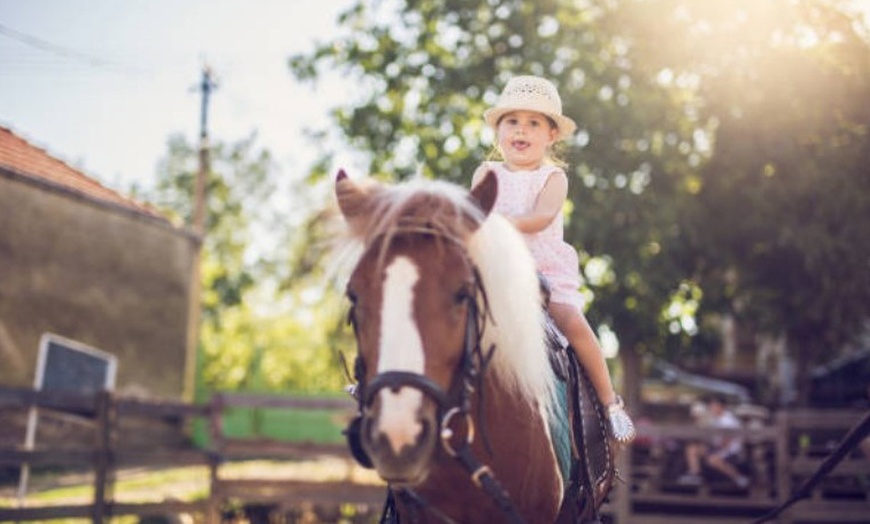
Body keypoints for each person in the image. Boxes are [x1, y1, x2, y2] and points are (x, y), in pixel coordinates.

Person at [470, 75, 635, 444]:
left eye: (533, 124)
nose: (521, 131)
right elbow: (472, 214)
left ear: (551, 135)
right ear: (498, 131)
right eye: (512, 121)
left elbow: (542, 217)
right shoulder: (486, 173)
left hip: (540, 269)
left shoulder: (552, 177)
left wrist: (494, 224)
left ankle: (610, 403)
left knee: (571, 321)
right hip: (495, 269)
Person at [678, 395, 750, 488]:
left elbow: (726, 442)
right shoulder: (716, 418)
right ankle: (695, 475)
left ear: (720, 407)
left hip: (730, 451)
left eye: (714, 406)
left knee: (712, 459)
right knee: (692, 448)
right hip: (717, 447)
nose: (711, 408)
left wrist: (715, 452)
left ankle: (739, 478)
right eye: (711, 406)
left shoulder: (728, 420)